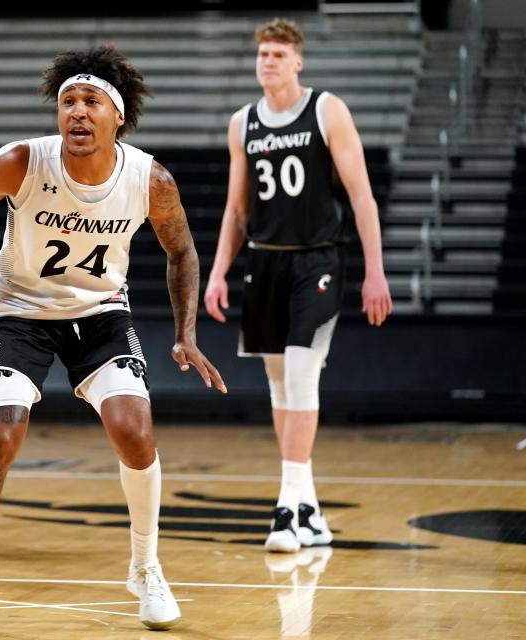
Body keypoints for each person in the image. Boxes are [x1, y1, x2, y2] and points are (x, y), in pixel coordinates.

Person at [0, 44, 227, 633]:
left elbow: (181, 249)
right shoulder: (23, 162)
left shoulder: (149, 178)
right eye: (67, 101)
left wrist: (186, 333)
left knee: (134, 430)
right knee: (0, 436)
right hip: (19, 314)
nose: (77, 112)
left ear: (118, 117)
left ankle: (145, 567)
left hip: (103, 315)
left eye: (91, 102)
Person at [203, 18, 393, 553]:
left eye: (279, 54)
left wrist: (375, 270)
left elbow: (361, 196)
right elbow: (237, 209)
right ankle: (307, 508)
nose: (269, 61)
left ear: (298, 62)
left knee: (303, 371)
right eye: (263, 53)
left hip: (318, 260)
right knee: (280, 384)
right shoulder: (242, 122)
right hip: (264, 262)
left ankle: (286, 510)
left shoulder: (326, 110)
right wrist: (218, 270)